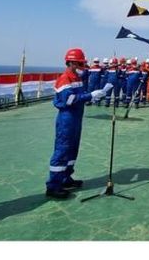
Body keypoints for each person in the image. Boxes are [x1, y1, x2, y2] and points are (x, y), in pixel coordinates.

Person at [46, 48, 109, 199]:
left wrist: (93, 97)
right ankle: (53, 186)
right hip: (67, 119)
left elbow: (79, 96)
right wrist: (90, 95)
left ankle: (66, 178)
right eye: (80, 64)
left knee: (72, 150)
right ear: (72, 63)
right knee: (62, 150)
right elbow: (69, 99)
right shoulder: (65, 78)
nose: (82, 67)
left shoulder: (76, 78)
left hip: (76, 117)